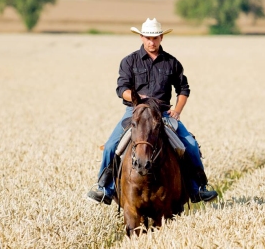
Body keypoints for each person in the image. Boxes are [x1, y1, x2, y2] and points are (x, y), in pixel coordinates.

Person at [88, 18, 218, 205]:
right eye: (148, 37)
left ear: (161, 37)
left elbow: (183, 89)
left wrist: (177, 110)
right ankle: (104, 189)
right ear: (141, 37)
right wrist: (135, 98)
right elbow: (121, 88)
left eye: (155, 38)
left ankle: (198, 188)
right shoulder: (129, 61)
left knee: (190, 145)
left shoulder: (172, 63)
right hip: (135, 113)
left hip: (163, 114)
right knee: (110, 146)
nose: (152, 42)